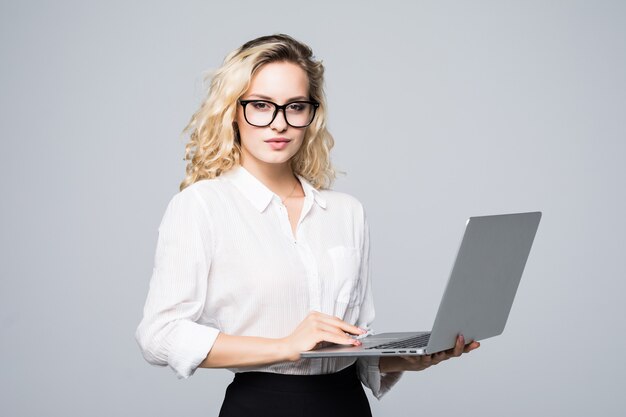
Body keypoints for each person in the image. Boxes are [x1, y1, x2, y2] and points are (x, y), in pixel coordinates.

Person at [135, 33, 479, 417]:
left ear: (311, 114)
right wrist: (287, 344)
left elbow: (353, 348)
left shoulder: (347, 212)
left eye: (295, 107)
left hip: (347, 404)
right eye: (261, 105)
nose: (279, 123)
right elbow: (159, 335)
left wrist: (410, 358)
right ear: (233, 111)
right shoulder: (201, 206)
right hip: (264, 405)